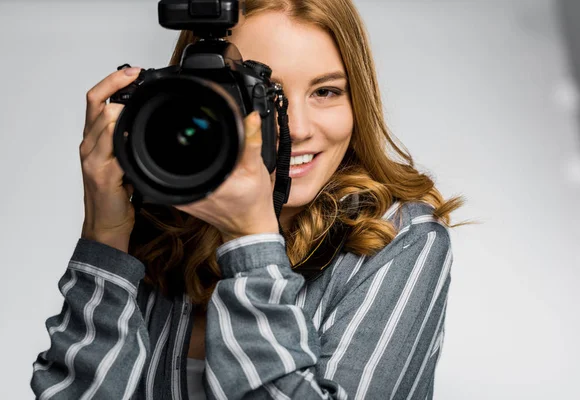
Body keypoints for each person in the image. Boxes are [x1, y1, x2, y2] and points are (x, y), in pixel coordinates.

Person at [30, 0, 470, 398]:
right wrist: (104, 237)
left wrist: (251, 243)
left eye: (326, 91)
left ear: (358, 101)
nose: (296, 127)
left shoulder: (401, 239)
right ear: (192, 101)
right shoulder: (161, 227)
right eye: (267, 97)